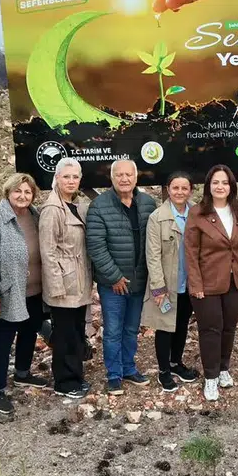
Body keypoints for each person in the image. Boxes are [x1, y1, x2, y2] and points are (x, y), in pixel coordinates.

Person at [0, 173, 51, 416]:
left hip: (34, 291)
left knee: (29, 331)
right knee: (2, 341)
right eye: (18, 191)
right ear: (8, 192)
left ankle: (23, 373)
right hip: (6, 293)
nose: (23, 196)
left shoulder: (35, 215)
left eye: (28, 192)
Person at [86, 159, 158, 395]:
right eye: (119, 175)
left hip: (139, 281)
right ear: (112, 178)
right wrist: (115, 277)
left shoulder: (147, 203)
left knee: (131, 329)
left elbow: (155, 241)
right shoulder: (99, 205)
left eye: (129, 174)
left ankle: (129, 368)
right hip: (113, 285)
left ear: (136, 178)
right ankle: (113, 374)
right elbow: (96, 246)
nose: (124, 179)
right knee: (113, 331)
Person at [185, 165, 238, 402]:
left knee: (229, 328)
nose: (220, 187)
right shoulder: (198, 212)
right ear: (208, 186)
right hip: (207, 282)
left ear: (231, 185)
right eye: (215, 183)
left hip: (236, 280)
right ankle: (210, 377)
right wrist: (196, 284)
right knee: (210, 330)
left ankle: (224, 369)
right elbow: (191, 251)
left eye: (224, 182)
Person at [39, 157, 94, 399]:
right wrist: (56, 287)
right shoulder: (52, 209)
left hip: (78, 281)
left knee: (76, 331)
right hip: (63, 283)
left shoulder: (76, 205)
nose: (71, 181)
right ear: (57, 178)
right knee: (64, 335)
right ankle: (64, 381)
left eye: (75, 177)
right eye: (66, 177)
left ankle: (76, 376)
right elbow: (48, 251)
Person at [141, 172, 201, 393]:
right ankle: (164, 371)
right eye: (175, 188)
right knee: (165, 328)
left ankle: (176, 363)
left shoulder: (197, 213)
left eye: (184, 188)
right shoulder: (157, 217)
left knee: (182, 325)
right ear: (168, 189)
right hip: (167, 284)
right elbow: (153, 255)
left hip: (189, 283)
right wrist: (158, 288)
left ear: (191, 190)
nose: (180, 192)